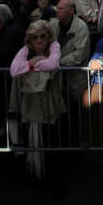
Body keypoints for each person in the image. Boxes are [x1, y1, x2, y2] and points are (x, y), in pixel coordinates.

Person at [9, 20, 63, 180]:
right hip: (31, 103)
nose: (39, 40)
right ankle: (34, 174)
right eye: (35, 37)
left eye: (42, 36)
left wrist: (31, 64)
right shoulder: (25, 49)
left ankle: (52, 176)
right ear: (30, 39)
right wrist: (33, 63)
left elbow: (53, 63)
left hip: (50, 101)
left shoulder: (54, 46)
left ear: (48, 37)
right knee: (31, 138)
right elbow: (14, 70)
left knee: (51, 138)